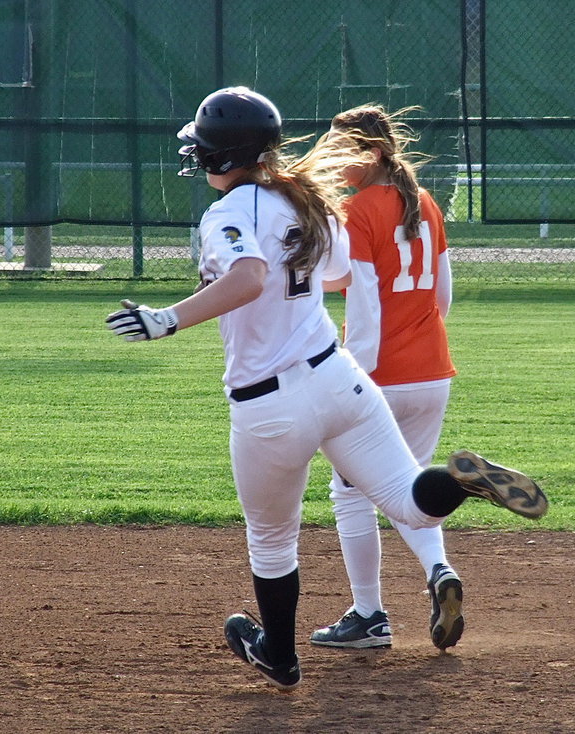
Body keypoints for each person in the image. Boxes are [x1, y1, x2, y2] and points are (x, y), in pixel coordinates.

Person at [105, 87, 548, 692]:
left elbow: (249, 277)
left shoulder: (229, 212)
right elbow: (336, 273)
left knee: (271, 539)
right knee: (409, 499)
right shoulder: (304, 200)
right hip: (339, 379)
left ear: (218, 157)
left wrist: (168, 318)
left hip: (270, 404)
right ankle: (461, 480)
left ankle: (280, 657)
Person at [309, 105, 462, 652]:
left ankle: (370, 615)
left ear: (372, 153)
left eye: (342, 152)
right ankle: (440, 572)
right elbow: (442, 296)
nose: (333, 162)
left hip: (381, 378)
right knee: (411, 487)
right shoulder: (424, 202)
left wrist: (356, 375)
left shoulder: (360, 211)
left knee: (350, 494)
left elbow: (366, 302)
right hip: (432, 373)